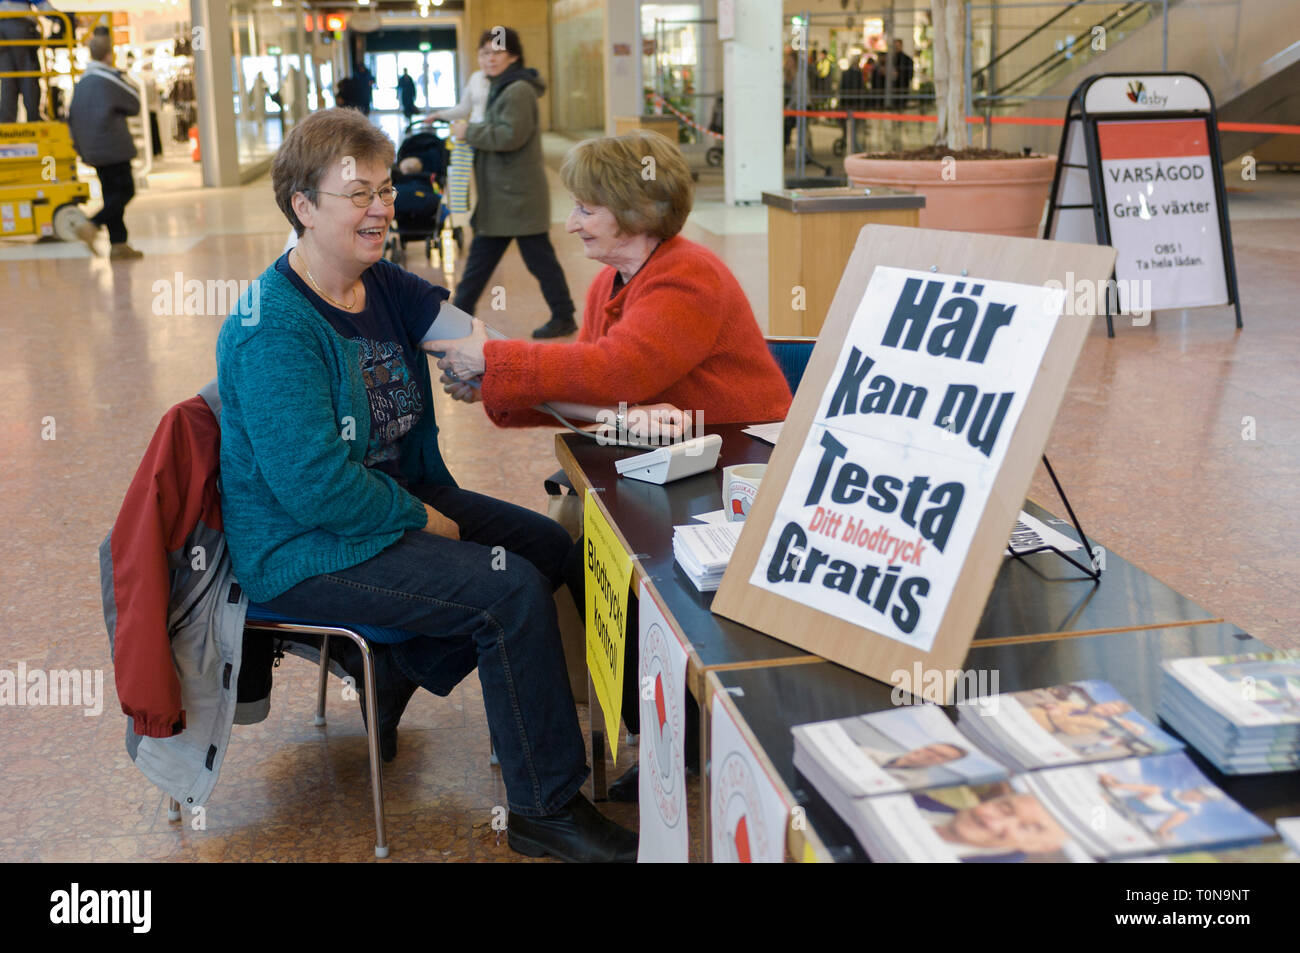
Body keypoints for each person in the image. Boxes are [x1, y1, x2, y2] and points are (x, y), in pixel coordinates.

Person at [214, 106, 636, 863]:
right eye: (357, 194)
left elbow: (486, 350)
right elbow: (314, 488)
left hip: (382, 504)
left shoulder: (385, 287)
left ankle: (395, 666)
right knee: (507, 592)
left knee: (545, 545)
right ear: (303, 207)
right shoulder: (271, 326)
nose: (381, 208)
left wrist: (609, 405)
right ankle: (546, 804)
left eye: (383, 189)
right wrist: (423, 519)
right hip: (309, 543)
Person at [426, 129, 793, 802]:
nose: (570, 223)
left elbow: (619, 370)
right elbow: (600, 395)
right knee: (579, 560)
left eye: (586, 207)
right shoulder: (612, 283)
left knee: (600, 564)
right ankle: (659, 729)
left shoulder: (688, 275)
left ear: (632, 207)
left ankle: (683, 733)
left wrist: (500, 364)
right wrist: (493, 382)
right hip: (673, 464)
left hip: (733, 470)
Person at [448, 27, 577, 339]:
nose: (489, 59)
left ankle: (563, 315)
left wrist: (470, 133)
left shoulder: (517, 89)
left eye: (497, 53)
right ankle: (563, 314)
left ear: (514, 56)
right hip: (505, 195)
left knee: (514, 260)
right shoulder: (502, 86)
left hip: (515, 196)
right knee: (506, 260)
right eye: (484, 53)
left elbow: (510, 135)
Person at [67, 32, 143, 260]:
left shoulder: (81, 83)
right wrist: (120, 75)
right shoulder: (108, 78)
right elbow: (135, 102)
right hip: (113, 147)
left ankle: (119, 244)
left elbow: (72, 119)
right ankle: (91, 225)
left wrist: (81, 150)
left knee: (111, 195)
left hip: (92, 150)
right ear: (109, 56)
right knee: (126, 191)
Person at [0, 0, 57, 122]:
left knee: (7, 77)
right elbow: (42, 4)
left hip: (1, 29)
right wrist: (58, 17)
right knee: (29, 74)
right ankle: (33, 118)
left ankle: (6, 122)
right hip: (20, 26)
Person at [890, 38, 913, 107]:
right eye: (895, 46)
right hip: (891, 91)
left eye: (898, 46)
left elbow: (910, 75)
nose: (896, 48)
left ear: (901, 46)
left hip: (902, 90)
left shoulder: (907, 59)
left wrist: (898, 75)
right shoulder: (889, 59)